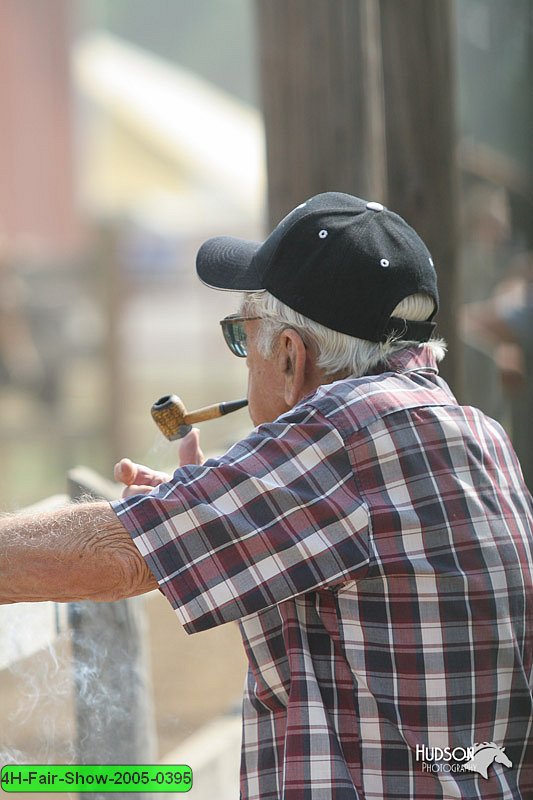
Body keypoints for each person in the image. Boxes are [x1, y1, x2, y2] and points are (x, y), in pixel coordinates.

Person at [1, 192, 532, 800]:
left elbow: (114, 554)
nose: (242, 359)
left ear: (288, 358)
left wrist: (173, 521)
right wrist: (214, 515)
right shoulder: (477, 433)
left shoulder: (345, 433)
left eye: (240, 336)